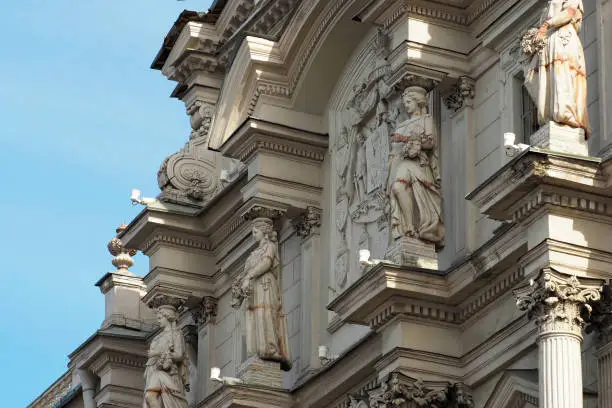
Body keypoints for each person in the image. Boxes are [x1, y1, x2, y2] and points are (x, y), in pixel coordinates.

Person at [386, 86, 444, 246]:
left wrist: (404, 139)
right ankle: (408, 226)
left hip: (417, 164)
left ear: (418, 102)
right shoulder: (401, 125)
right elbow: (393, 153)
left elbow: (430, 142)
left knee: (399, 187)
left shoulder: (426, 119)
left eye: (409, 102)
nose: (406, 105)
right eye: (405, 102)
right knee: (397, 188)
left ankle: (414, 227)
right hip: (399, 164)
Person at [232, 218, 292, 371]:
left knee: (266, 315)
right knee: (255, 317)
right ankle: (258, 350)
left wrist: (249, 276)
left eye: (255, 232)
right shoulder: (253, 254)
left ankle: (270, 349)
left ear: (264, 232)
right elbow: (244, 274)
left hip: (266, 285)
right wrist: (240, 284)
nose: (254, 235)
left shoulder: (270, 246)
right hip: (254, 290)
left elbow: (266, 264)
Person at [522, 0, 589, 135]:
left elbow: (569, 13)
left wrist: (547, 24)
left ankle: (565, 114)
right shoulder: (548, 5)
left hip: (564, 37)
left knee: (563, 73)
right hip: (551, 40)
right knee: (547, 78)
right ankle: (549, 116)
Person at [144, 306, 189, 408]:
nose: (158, 321)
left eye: (160, 318)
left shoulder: (176, 334)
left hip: (170, 373)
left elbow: (179, 355)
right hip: (156, 370)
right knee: (150, 396)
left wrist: (158, 353)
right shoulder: (156, 338)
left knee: (154, 396)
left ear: (167, 317)